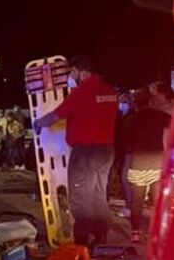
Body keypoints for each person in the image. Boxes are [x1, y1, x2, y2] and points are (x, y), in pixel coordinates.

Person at [35, 55, 118, 247]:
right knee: (98, 193)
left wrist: (38, 123)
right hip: (106, 151)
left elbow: (56, 115)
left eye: (72, 72)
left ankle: (81, 242)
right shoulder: (110, 92)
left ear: (84, 72)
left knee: (80, 197)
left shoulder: (82, 92)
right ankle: (101, 236)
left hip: (85, 152)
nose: (71, 77)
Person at [121, 89, 170, 243]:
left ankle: (135, 232)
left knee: (137, 201)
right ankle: (155, 232)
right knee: (156, 201)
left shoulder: (132, 119)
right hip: (157, 162)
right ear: (150, 102)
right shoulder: (159, 115)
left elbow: (125, 141)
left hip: (138, 162)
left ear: (135, 104)